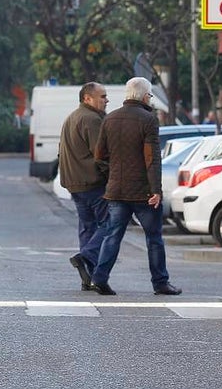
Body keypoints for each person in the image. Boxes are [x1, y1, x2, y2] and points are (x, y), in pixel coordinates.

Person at [88, 76, 181, 297]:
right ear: (143, 96)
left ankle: (99, 278)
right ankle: (160, 283)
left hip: (116, 190)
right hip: (142, 192)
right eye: (149, 95)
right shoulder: (148, 119)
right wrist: (156, 190)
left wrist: (113, 172)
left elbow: (99, 154)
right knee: (154, 237)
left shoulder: (110, 118)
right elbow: (152, 159)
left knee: (113, 235)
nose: (150, 98)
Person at [57, 82, 109, 290]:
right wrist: (111, 177)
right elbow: (101, 154)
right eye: (102, 96)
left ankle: (88, 277)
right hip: (92, 181)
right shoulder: (91, 119)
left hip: (74, 183)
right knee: (111, 224)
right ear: (87, 98)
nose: (106, 100)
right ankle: (86, 258)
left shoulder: (72, 117)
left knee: (87, 227)